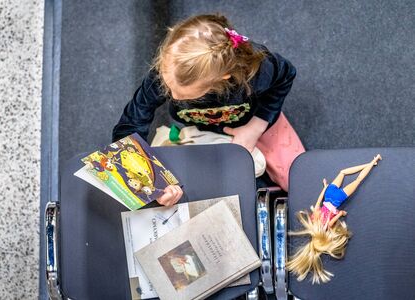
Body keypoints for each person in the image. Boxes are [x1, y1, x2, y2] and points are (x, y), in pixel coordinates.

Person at [112, 14, 297, 206]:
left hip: (254, 120)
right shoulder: (167, 72)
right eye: (169, 88)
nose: (172, 97)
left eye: (182, 94)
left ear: (223, 77)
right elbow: (129, 125)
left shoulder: (257, 71)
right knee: (196, 186)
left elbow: (286, 76)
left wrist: (256, 126)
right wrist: (151, 184)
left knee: (294, 178)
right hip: (200, 127)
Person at [286, 155, 382, 284]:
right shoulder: (314, 219)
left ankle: (372, 161)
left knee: (359, 180)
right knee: (343, 172)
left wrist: (340, 213)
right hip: (328, 194)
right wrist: (325, 188)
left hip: (338, 199)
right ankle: (370, 163)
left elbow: (333, 220)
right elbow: (318, 201)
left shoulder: (326, 227)